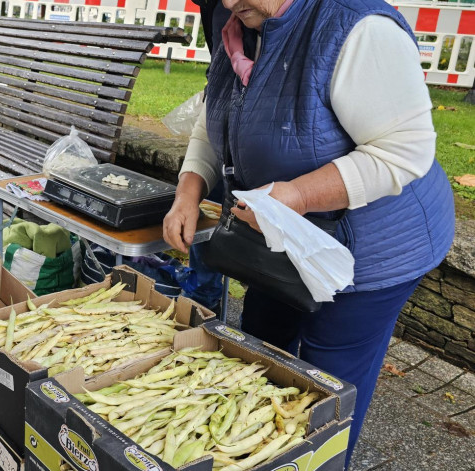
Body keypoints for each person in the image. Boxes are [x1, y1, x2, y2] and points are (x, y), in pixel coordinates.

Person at [162, 0, 455, 462]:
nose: (230, 2)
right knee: (258, 347)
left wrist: (295, 196)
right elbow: (212, 116)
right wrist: (189, 189)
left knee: (326, 386)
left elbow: (403, 152)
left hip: (370, 251)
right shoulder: (237, 21)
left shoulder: (356, 26)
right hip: (283, 241)